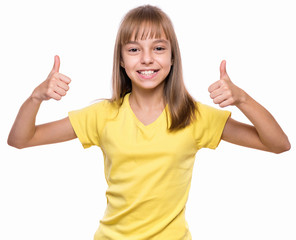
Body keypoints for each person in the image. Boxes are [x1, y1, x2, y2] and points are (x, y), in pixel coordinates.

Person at [7, 4, 290, 240]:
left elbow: (278, 144)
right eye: (133, 50)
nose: (146, 59)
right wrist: (36, 98)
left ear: (172, 57)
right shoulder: (102, 115)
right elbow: (21, 139)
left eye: (158, 48)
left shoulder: (193, 116)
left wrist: (242, 99)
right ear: (120, 59)